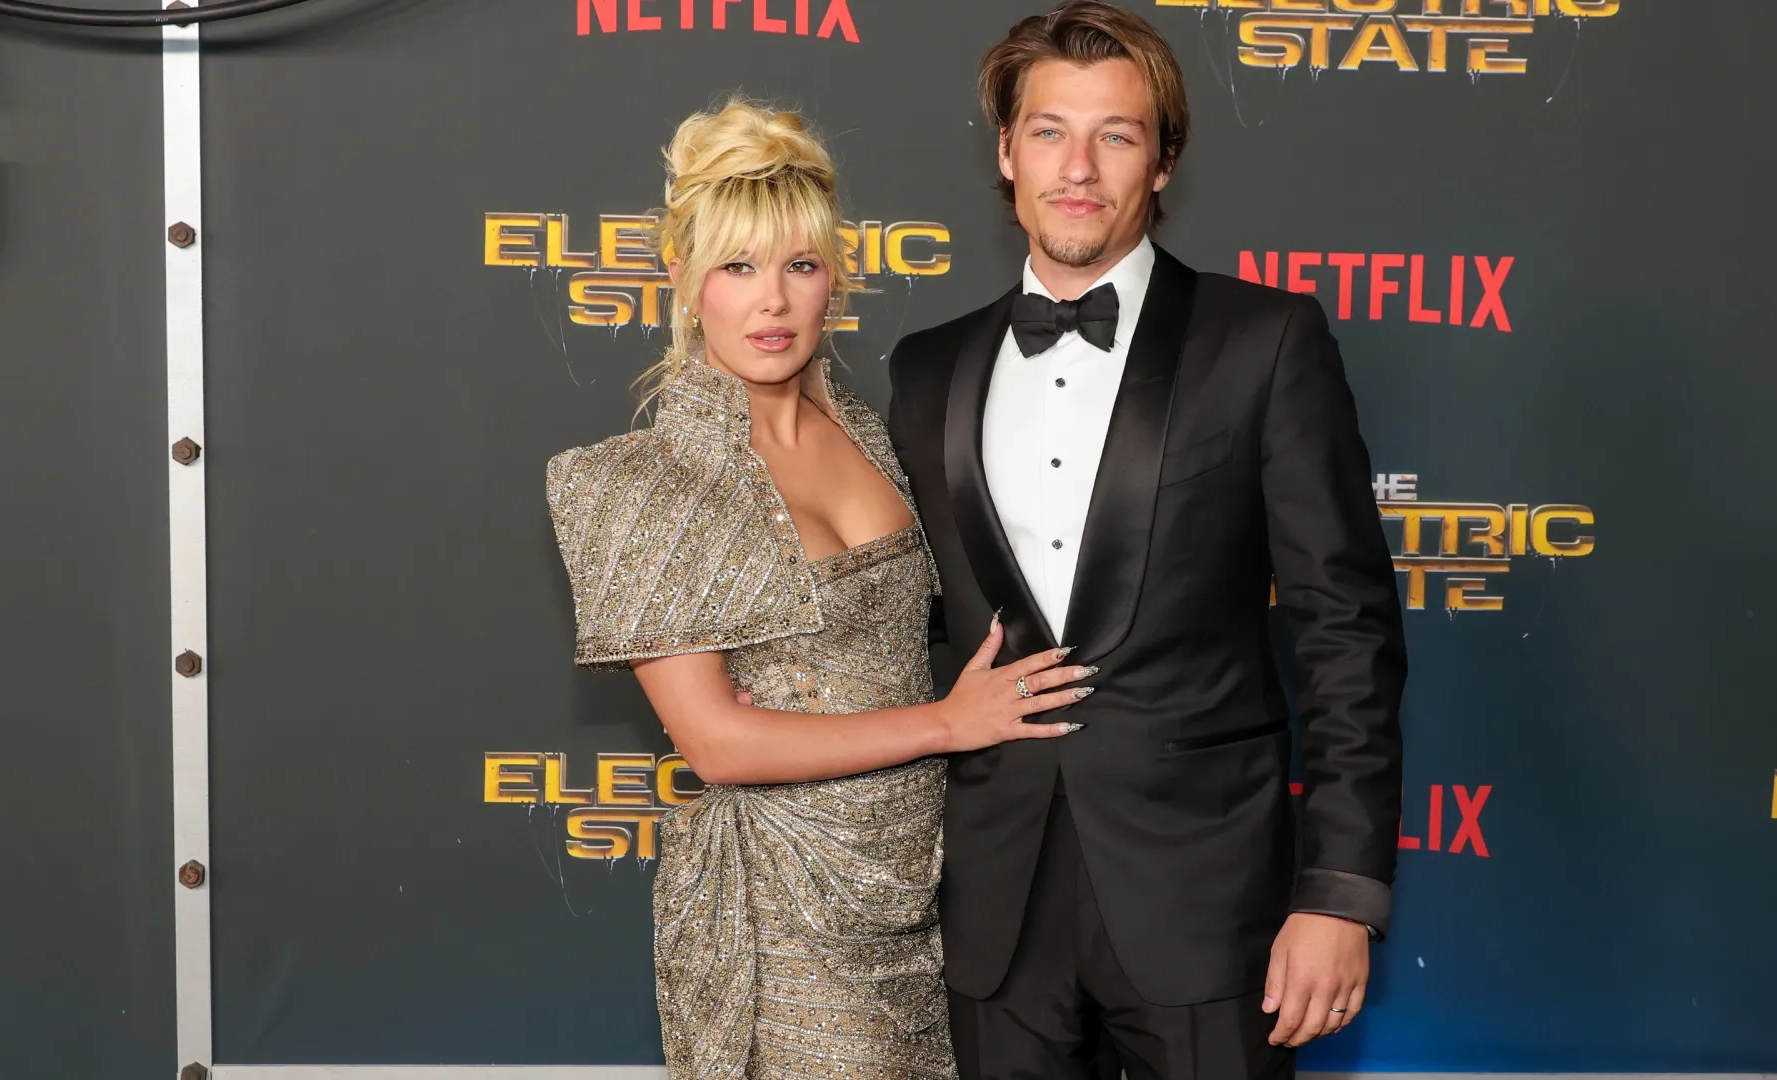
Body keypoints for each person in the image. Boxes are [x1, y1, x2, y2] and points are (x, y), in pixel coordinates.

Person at [884, 5, 1408, 1078]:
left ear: (1164, 161)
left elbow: (1345, 635)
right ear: (1005, 149)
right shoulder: (926, 369)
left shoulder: (1264, 341)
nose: (1077, 168)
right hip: (993, 906)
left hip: (1209, 902)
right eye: (1048, 131)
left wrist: (1340, 897)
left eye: (1116, 135)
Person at [543, 99, 1095, 1080]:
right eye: (738, 268)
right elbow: (716, 743)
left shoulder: (879, 436)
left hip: (932, 879)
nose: (773, 303)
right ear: (683, 281)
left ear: (834, 281)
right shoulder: (632, 484)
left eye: (800, 266)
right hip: (785, 902)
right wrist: (947, 723)